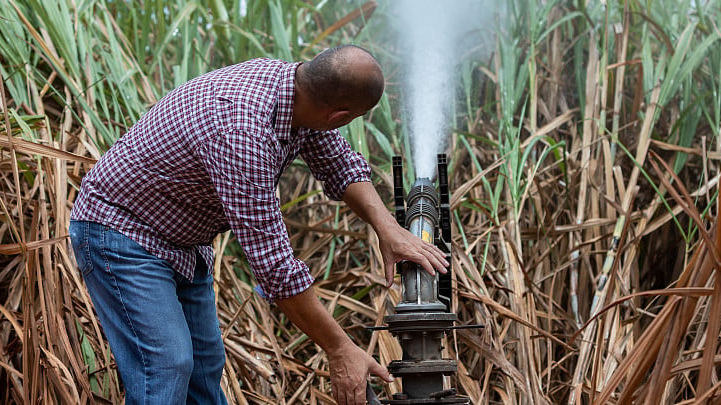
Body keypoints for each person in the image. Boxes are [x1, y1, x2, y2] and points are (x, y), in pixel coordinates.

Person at [68, 45, 449, 405]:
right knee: (167, 366)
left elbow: (339, 164)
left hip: (181, 242)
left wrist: (389, 229)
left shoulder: (294, 92)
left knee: (203, 369)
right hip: (122, 233)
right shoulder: (242, 133)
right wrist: (340, 349)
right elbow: (275, 269)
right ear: (339, 116)